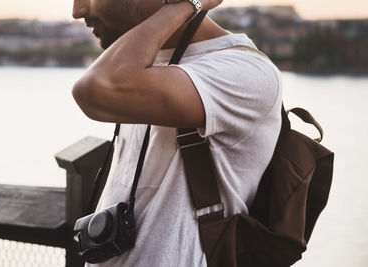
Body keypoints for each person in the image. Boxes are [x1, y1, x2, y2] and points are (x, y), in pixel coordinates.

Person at [71, 0, 283, 266]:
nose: (77, 11)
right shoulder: (141, 65)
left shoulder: (244, 71)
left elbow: (96, 89)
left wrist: (187, 4)